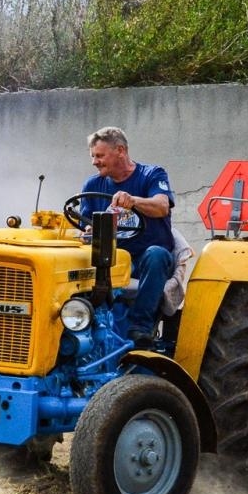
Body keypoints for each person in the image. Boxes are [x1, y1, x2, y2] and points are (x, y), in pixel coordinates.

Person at [81, 126, 175, 347]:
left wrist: (133, 201)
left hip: (146, 260)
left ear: (120, 151)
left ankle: (140, 328)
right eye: (93, 156)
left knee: (156, 254)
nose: (95, 161)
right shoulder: (92, 185)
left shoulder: (151, 175)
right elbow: (84, 225)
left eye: (100, 156)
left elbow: (162, 206)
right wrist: (86, 232)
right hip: (111, 259)